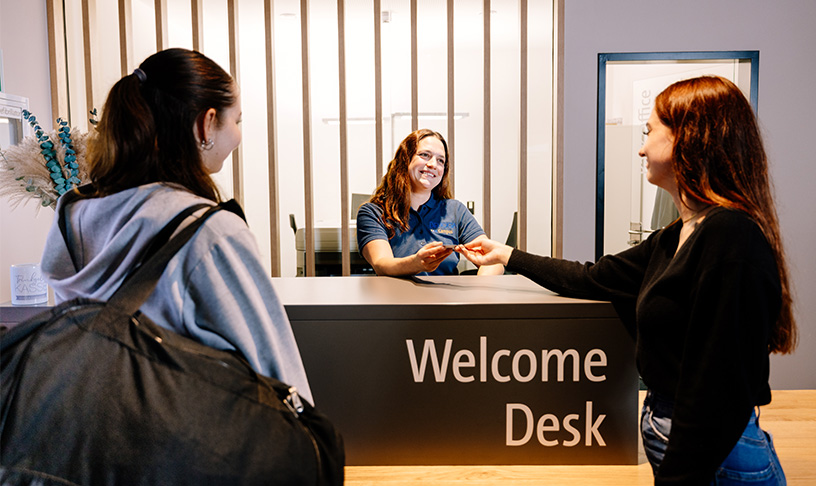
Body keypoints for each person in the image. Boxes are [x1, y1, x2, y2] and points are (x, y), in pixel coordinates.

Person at [458, 76, 795, 485]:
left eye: (649, 131)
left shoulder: (730, 238)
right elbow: (591, 278)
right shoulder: (673, 238)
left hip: (716, 455)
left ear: (688, 139)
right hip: (672, 430)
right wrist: (507, 254)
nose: (640, 146)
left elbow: (717, 393)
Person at [40, 48, 313, 404]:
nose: (237, 135)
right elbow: (278, 373)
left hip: (97, 438)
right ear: (206, 123)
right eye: (237, 121)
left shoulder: (72, 214)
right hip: (188, 448)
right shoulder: (209, 231)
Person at [356, 128, 503, 276]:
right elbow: (382, 264)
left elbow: (493, 262)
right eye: (425, 155)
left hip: (447, 298)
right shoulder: (374, 212)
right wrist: (415, 263)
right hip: (396, 298)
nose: (433, 164)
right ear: (405, 159)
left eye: (441, 160)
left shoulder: (455, 210)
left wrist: (477, 292)